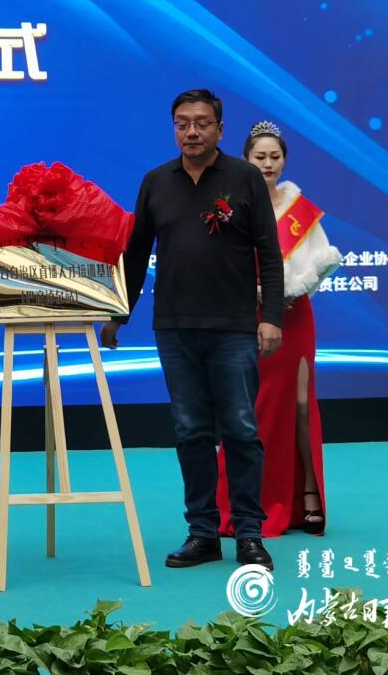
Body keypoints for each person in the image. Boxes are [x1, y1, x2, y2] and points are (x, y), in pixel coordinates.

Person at [101, 89, 283, 571]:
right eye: (182, 123)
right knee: (190, 431)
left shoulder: (244, 178)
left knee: (241, 430)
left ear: (220, 129)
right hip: (176, 327)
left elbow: (269, 252)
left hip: (235, 327)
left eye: (202, 123)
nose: (192, 132)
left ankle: (249, 533)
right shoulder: (156, 182)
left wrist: (271, 317)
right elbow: (136, 255)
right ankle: (202, 533)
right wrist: (119, 312)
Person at [215, 121, 340, 537]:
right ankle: (244, 502)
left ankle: (307, 497)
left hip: (294, 316)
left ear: (284, 160)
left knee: (301, 406)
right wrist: (256, 293)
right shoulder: (229, 206)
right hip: (247, 316)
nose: (268, 164)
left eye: (275, 156)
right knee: (252, 408)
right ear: (245, 159)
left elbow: (319, 261)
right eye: (260, 157)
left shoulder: (299, 209)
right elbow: (217, 264)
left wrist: (293, 289)